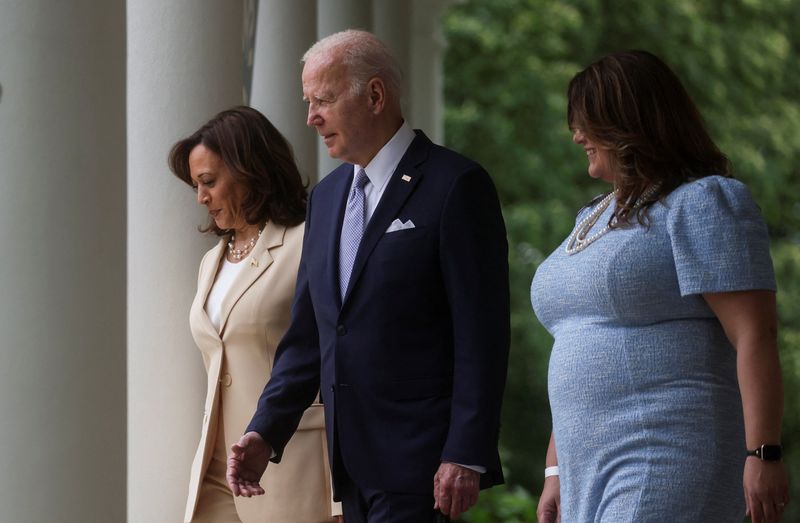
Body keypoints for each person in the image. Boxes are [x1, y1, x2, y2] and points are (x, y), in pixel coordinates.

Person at [225, 30, 510, 522]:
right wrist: (265, 431)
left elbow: (482, 332)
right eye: (308, 102)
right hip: (349, 466)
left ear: (375, 95)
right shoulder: (326, 197)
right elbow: (311, 335)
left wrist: (465, 450)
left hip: (424, 464)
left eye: (324, 100)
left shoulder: (455, 185)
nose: (311, 117)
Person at [531, 50, 790, 522]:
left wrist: (763, 453)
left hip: (666, 450)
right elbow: (579, 343)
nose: (577, 137)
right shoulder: (591, 217)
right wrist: (555, 471)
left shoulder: (703, 201)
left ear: (627, 124)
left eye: (588, 123)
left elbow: (754, 332)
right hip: (585, 465)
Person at [168, 106, 342, 523]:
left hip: (295, 472)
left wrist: (339, 499)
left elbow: (331, 351)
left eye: (209, 182)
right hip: (219, 474)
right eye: (195, 185)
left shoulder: (308, 241)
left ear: (251, 171)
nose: (201, 198)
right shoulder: (211, 262)